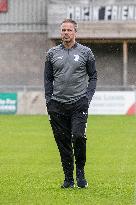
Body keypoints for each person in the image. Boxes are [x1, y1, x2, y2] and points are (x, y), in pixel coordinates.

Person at [44, 19, 97, 188]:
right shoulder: (52, 53)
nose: (66, 33)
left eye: (69, 30)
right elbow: (47, 78)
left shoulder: (86, 52)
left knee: (79, 137)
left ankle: (80, 173)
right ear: (60, 33)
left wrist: (87, 97)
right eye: (63, 30)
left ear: (75, 32)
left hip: (78, 103)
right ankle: (68, 178)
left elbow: (93, 76)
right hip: (57, 105)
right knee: (63, 142)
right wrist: (49, 100)